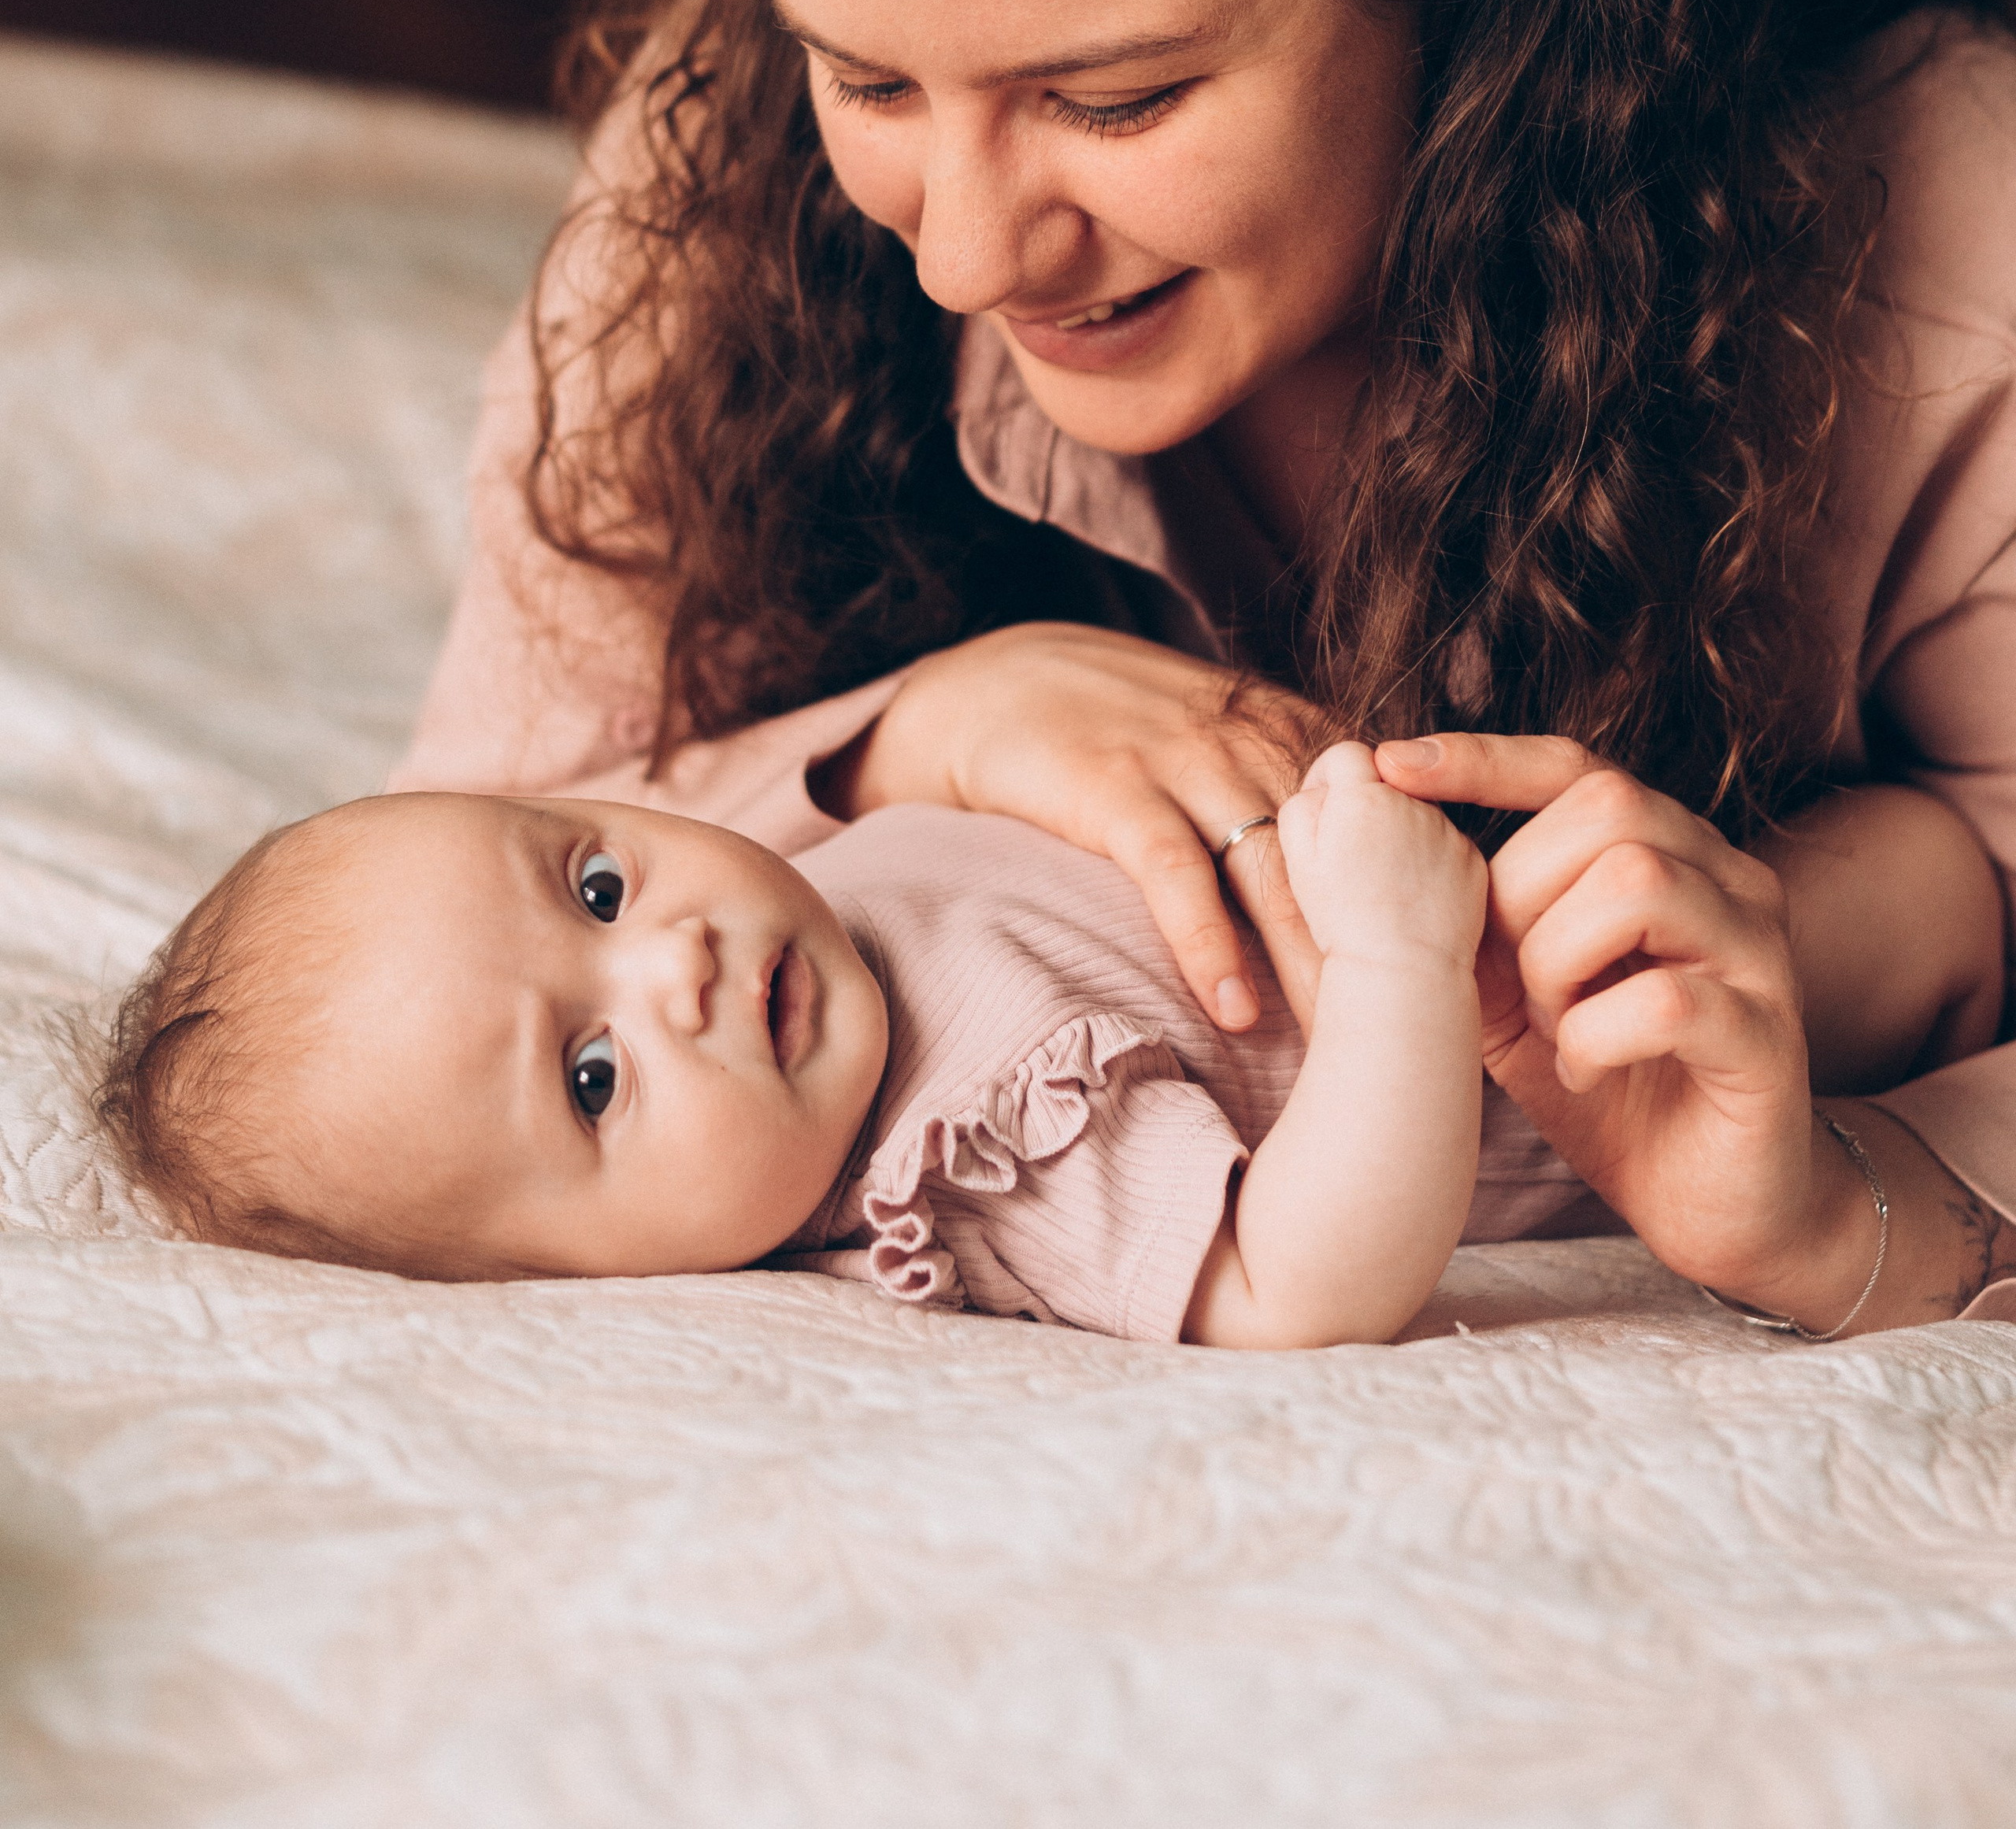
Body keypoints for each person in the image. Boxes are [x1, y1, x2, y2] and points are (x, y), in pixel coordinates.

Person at [396, 0, 2016, 1335]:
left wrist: (1836, 1170)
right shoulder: (721, 168)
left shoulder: (1944, 240)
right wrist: (918, 737)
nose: (963, 253)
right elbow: (457, 861)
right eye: (869, 79)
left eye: (1114, 98)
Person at [91, 740, 2001, 1342]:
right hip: (1595, 1056)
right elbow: (1292, 1280)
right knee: (1925, 921)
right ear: (588, 1279)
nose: (669, 964)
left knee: (1921, 861)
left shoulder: (819, 886)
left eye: (592, 883)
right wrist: (1403, 963)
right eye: (591, 1083)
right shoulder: (960, 1153)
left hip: (1574, 898)